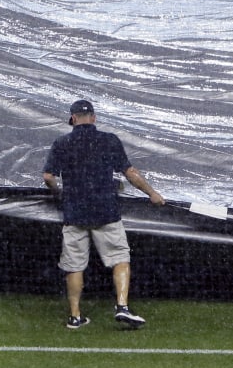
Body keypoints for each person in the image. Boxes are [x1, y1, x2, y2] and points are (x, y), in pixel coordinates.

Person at [42, 99, 166, 330]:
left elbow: (48, 177)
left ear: (72, 119)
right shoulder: (109, 141)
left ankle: (75, 316)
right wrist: (152, 194)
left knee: (75, 265)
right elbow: (130, 172)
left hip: (74, 212)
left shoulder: (62, 143)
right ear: (94, 118)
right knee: (120, 257)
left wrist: (59, 194)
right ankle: (122, 306)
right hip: (105, 210)